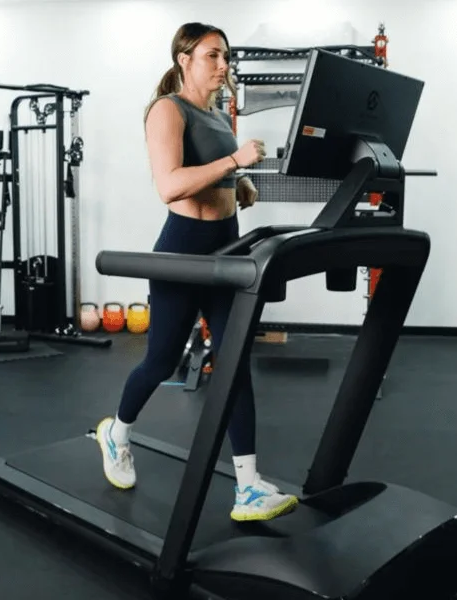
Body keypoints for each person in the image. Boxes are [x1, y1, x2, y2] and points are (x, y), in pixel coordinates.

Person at [95, 22, 298, 522]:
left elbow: (215, 179)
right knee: (160, 362)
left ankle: (248, 486)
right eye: (213, 55)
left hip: (226, 250)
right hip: (183, 251)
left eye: (225, 56)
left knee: (234, 364)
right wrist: (235, 158)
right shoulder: (168, 110)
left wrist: (241, 186)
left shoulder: (218, 117)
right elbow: (169, 185)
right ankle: (116, 432)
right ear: (184, 59)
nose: (223, 65)